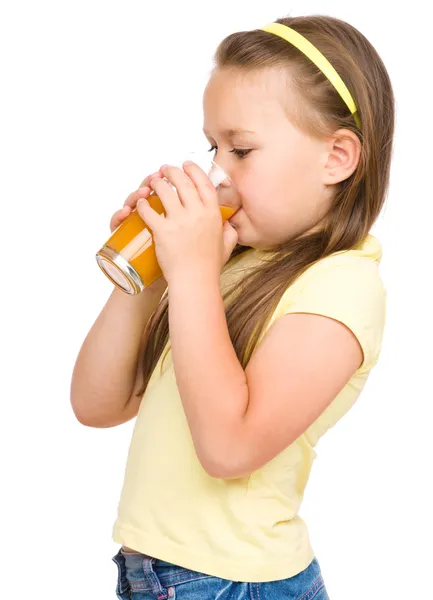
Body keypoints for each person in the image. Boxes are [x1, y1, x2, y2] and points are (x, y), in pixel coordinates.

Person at [71, 14, 395, 600]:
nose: (217, 170)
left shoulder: (342, 286)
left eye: (241, 149)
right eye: (213, 146)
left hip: (232, 583)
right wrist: (146, 277)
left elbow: (228, 449)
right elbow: (96, 403)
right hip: (156, 574)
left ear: (337, 157)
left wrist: (191, 273)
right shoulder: (230, 260)